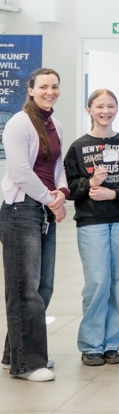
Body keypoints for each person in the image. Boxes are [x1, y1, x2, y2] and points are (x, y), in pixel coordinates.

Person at [64, 89, 119, 366]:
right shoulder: (78, 147)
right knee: (97, 283)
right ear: (89, 110)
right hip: (91, 223)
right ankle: (91, 344)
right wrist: (91, 185)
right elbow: (70, 188)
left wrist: (114, 194)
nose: (105, 111)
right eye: (99, 106)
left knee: (118, 284)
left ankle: (112, 344)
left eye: (111, 106)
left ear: (116, 109)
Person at [0, 68, 68, 382]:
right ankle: (27, 364)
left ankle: (14, 352)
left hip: (42, 208)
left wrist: (61, 194)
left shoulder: (55, 125)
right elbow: (20, 172)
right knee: (24, 289)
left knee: (43, 286)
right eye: (43, 86)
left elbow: (59, 167)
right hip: (20, 210)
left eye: (54, 86)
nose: (49, 91)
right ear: (30, 89)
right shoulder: (18, 124)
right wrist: (49, 199)